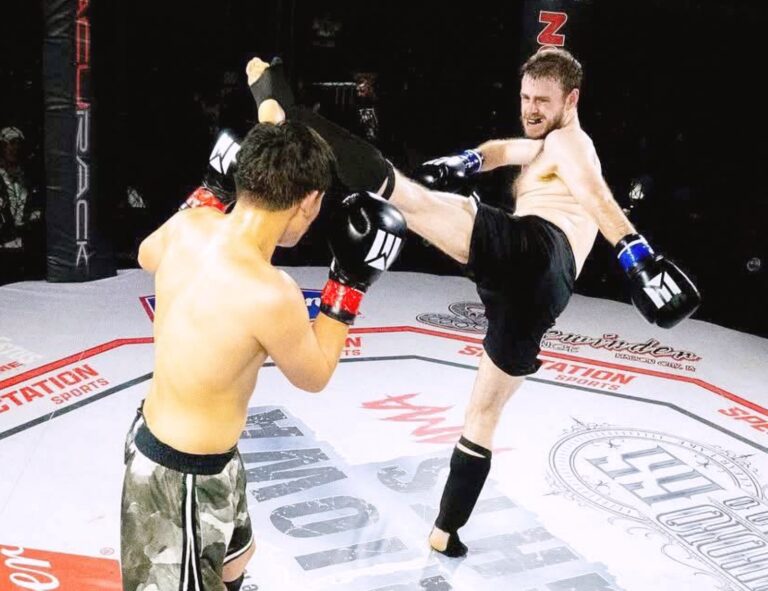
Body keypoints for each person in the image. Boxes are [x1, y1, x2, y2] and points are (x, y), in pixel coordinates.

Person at [248, 47, 700, 557]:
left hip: (535, 250)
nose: (530, 109)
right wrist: (465, 161)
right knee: (483, 413)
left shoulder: (573, 144)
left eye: (542, 101)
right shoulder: (547, 144)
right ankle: (446, 529)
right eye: (525, 97)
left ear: (572, 100)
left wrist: (637, 256)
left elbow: (597, 196)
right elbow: (502, 151)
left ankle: (291, 115)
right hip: (542, 293)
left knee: (404, 195)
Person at [121, 121, 406, 591]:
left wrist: (210, 191)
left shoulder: (190, 223)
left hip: (193, 448)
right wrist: (348, 283)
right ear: (310, 201)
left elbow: (146, 255)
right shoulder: (271, 293)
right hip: (180, 476)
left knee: (235, 558)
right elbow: (313, 375)